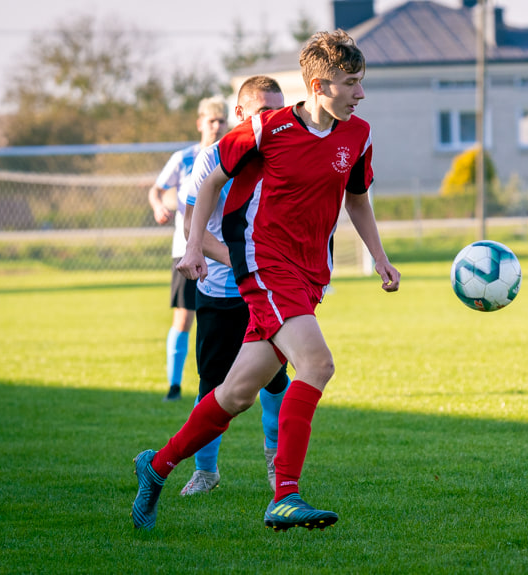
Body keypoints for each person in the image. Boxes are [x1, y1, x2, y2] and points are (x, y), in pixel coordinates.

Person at [131, 30, 401, 531]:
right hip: (262, 262)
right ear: (319, 85)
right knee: (317, 364)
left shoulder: (357, 135)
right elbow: (208, 181)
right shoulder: (266, 128)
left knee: (236, 394)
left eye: (362, 83)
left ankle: (158, 465)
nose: (360, 94)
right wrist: (193, 248)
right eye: (352, 83)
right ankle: (285, 495)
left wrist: (379, 257)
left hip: (309, 272)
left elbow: (357, 198)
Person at [178, 76, 288, 496]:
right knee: (212, 386)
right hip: (222, 292)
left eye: (278, 110)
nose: (272, 119)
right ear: (240, 114)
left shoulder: (284, 154)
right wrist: (242, 264)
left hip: (266, 291)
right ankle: (206, 471)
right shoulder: (211, 160)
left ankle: (278, 470)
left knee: (275, 383)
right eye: (264, 111)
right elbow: (194, 229)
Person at [147, 96, 229, 401]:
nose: (217, 126)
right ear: (200, 123)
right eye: (212, 121)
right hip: (187, 248)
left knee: (221, 321)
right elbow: (158, 190)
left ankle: (220, 385)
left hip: (222, 250)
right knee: (184, 317)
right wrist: (159, 205)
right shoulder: (184, 158)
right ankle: (174, 384)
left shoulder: (231, 155)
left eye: (222, 121)